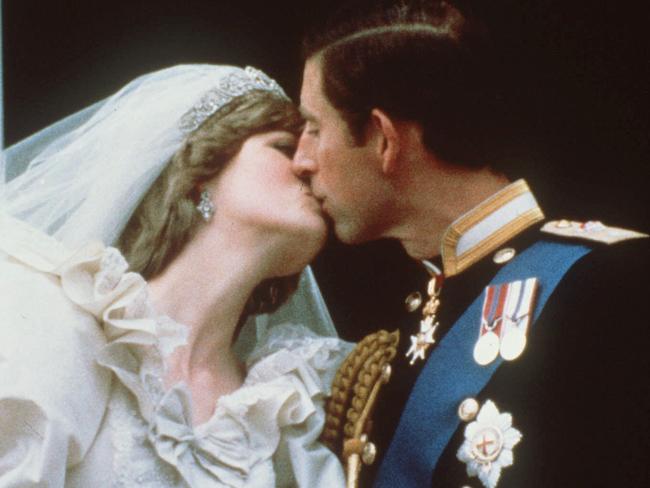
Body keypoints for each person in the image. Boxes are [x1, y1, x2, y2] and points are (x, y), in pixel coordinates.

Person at [292, 1, 649, 487]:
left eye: (314, 128)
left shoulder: (612, 284)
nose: (301, 160)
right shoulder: (422, 309)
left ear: (383, 139)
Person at [0, 64, 352, 487]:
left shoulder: (290, 408)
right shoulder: (62, 326)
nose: (308, 166)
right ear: (201, 173)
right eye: (283, 147)